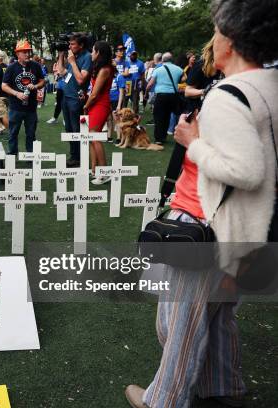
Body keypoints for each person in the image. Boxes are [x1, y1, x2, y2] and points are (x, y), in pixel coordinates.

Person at [125, 2, 278, 408]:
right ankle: (223, 387)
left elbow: (244, 171)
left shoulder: (232, 94)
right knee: (216, 314)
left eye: (217, 31)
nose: (213, 40)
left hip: (206, 223)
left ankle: (165, 400)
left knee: (178, 322)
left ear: (230, 40)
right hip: (246, 227)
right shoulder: (269, 88)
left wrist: (192, 143)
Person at [1, 40, 45, 155]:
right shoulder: (11, 67)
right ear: (17, 54)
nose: (27, 54)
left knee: (31, 133)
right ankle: (12, 154)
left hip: (31, 107)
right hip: (15, 107)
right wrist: (17, 93)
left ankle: (30, 155)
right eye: (24, 52)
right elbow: (4, 86)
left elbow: (42, 81)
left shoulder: (35, 66)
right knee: (13, 133)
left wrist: (35, 86)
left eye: (28, 52)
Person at [56, 33, 92, 167]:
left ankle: (80, 157)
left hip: (76, 98)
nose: (69, 47)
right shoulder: (74, 56)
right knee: (69, 128)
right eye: (69, 44)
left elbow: (81, 79)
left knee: (77, 129)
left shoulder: (87, 57)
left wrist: (71, 62)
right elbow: (61, 72)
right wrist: (61, 55)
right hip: (66, 96)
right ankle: (74, 156)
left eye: (72, 44)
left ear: (81, 45)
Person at [84, 41, 115, 185]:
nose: (91, 53)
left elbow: (95, 94)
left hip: (100, 105)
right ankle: (95, 170)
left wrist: (86, 105)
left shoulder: (105, 70)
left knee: (95, 137)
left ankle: (104, 173)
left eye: (93, 51)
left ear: (99, 53)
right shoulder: (102, 68)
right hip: (96, 104)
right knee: (91, 137)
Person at [145, 52, 183, 145]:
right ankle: (167, 136)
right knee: (168, 116)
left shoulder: (158, 70)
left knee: (159, 117)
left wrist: (146, 92)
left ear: (162, 60)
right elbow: (183, 79)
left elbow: (150, 84)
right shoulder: (179, 69)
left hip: (161, 96)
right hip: (173, 96)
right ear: (172, 60)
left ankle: (159, 138)